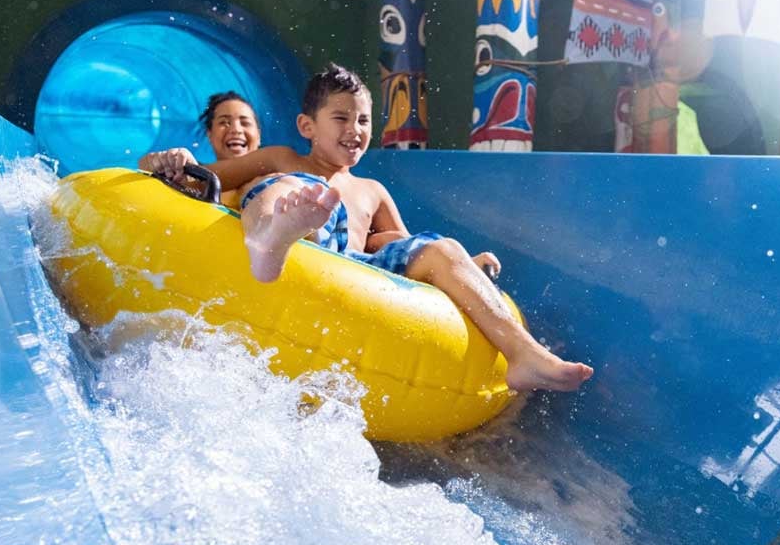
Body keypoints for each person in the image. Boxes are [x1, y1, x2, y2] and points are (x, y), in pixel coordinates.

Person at [147, 63, 594, 393]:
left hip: (350, 264)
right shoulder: (286, 158)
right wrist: (166, 161)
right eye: (340, 118)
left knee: (443, 247)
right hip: (297, 236)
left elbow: (400, 245)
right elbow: (201, 177)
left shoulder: (372, 189)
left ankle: (524, 354)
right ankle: (271, 237)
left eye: (363, 120)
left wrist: (462, 264)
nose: (355, 129)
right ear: (308, 126)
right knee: (287, 186)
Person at [139, 91, 261, 207]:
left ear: (259, 135)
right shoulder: (194, 173)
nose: (236, 130)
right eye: (224, 123)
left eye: (245, 123)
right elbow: (144, 166)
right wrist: (166, 160)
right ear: (210, 134)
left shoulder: (273, 176)